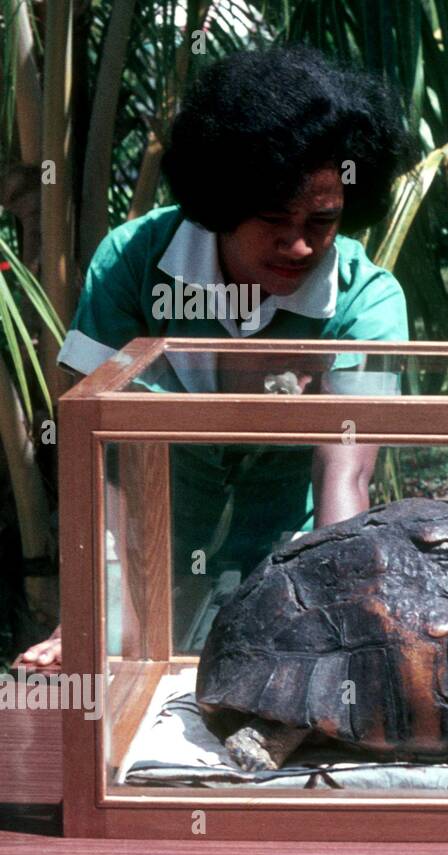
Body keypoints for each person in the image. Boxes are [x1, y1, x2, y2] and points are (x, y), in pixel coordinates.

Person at [15, 45, 419, 669]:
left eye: (323, 220)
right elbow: (99, 465)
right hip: (143, 572)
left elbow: (345, 476)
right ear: (221, 201)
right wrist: (94, 614)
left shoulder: (368, 302)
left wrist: (336, 627)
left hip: (287, 580)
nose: (299, 243)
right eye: (272, 218)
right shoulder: (130, 264)